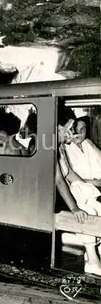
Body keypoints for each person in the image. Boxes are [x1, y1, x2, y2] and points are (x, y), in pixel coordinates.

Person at [55, 104, 101, 276]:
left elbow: (70, 174)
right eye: (67, 128)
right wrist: (74, 207)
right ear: (57, 127)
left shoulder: (60, 147)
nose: (70, 133)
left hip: (69, 191)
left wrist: (87, 187)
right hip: (55, 197)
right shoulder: (49, 147)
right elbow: (59, 181)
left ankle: (97, 252)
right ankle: (92, 261)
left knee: (98, 208)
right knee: (87, 212)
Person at [65, 116, 101, 188]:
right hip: (82, 190)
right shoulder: (66, 147)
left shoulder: (88, 142)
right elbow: (69, 176)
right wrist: (96, 183)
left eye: (83, 129)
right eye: (77, 129)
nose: (80, 132)